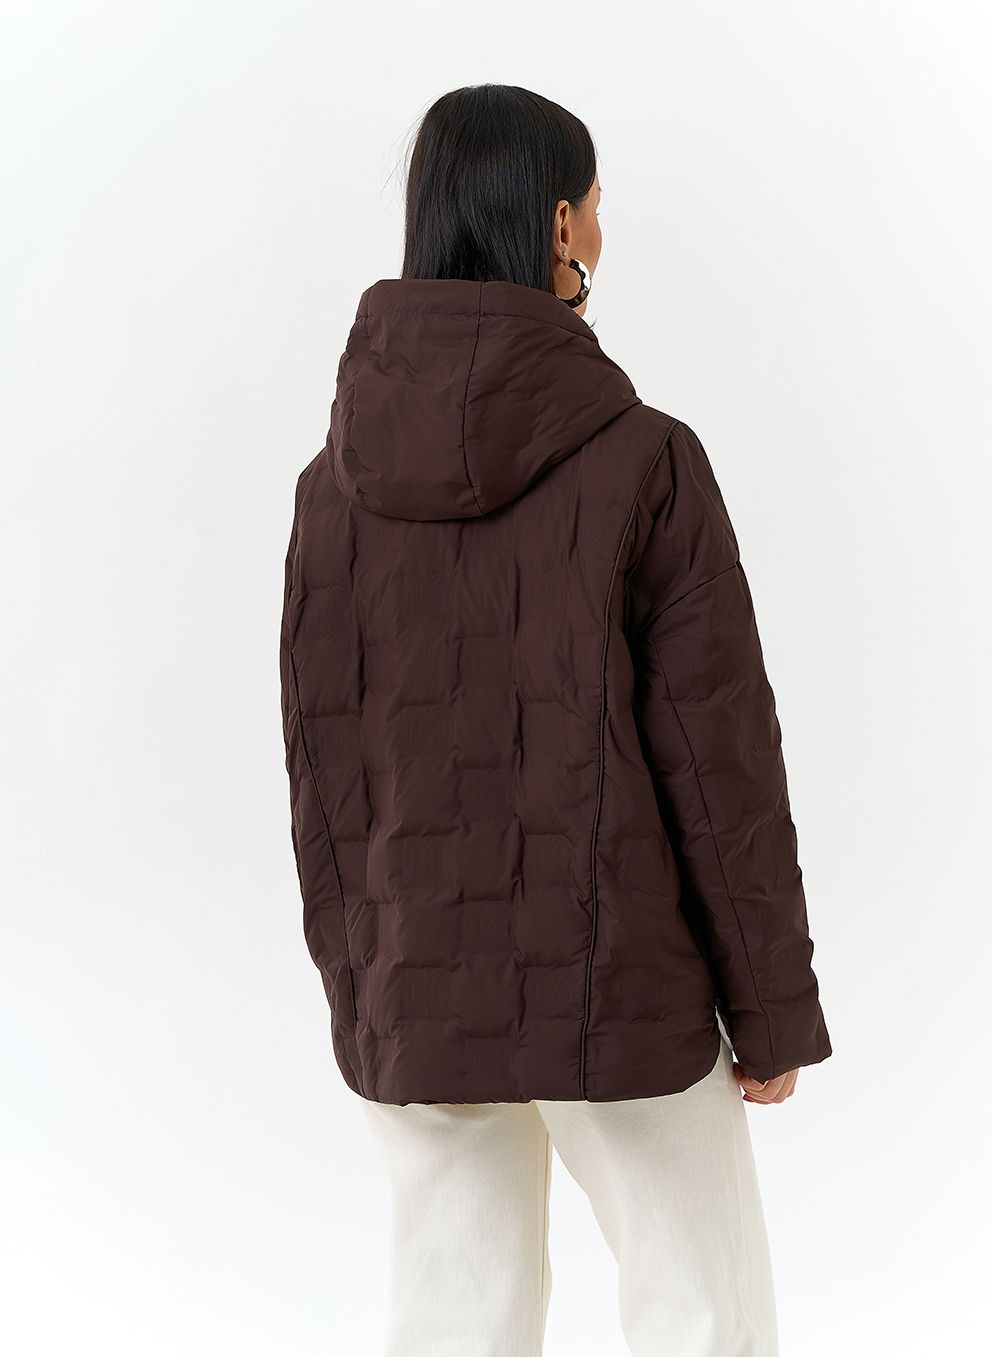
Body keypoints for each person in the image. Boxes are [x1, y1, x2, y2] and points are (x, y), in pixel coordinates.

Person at [280, 83, 832, 1357]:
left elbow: (324, 765)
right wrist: (768, 1011)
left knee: (449, 1326)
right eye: (595, 205)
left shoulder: (329, 489)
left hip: (417, 982)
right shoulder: (646, 460)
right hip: (620, 986)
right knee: (700, 1314)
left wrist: (364, 989)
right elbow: (720, 763)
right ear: (563, 225)